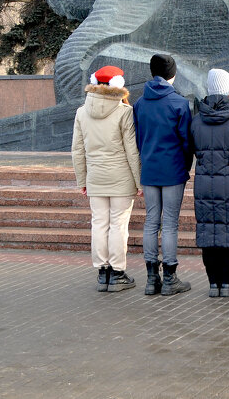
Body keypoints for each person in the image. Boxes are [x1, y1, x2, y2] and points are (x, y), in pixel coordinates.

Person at [71, 65, 142, 292]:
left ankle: (102, 273)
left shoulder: (82, 112)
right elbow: (132, 150)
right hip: (121, 177)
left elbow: (77, 150)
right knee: (118, 225)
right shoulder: (124, 112)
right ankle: (118, 272)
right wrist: (139, 182)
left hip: (95, 176)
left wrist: (82, 180)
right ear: (118, 85)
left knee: (99, 224)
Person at [190, 68, 229, 298]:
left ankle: (213, 283)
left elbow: (193, 150)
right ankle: (228, 281)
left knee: (210, 232)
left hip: (205, 184)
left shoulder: (197, 120)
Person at [131, 53, 193, 296]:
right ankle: (170, 278)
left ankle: (150, 279)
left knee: (151, 222)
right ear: (172, 74)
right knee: (169, 224)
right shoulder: (179, 103)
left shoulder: (140, 103)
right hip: (173, 169)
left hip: (150, 168)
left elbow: (138, 139)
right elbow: (187, 142)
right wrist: (185, 166)